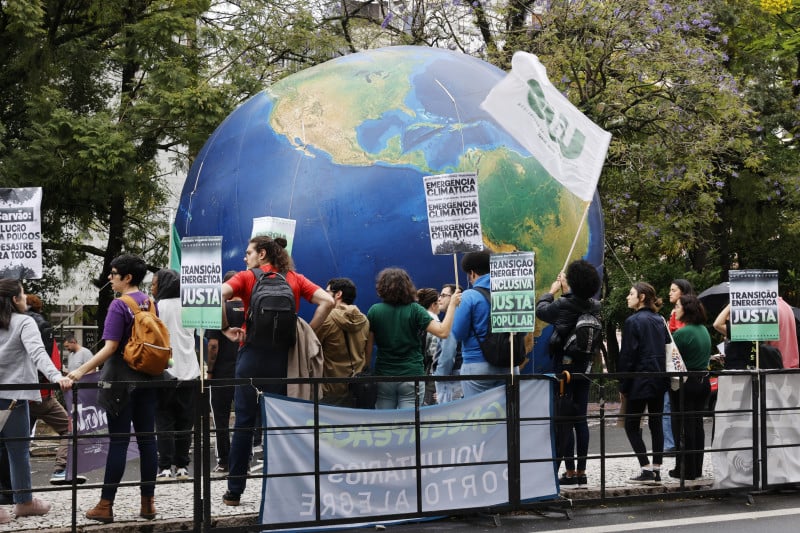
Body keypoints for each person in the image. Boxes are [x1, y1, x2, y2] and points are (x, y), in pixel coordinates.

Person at [220, 235, 335, 506]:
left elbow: (216, 294)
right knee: (279, 423)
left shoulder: (248, 278)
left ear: (262, 254)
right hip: (283, 359)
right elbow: (327, 301)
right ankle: (278, 490)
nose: (245, 258)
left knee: (244, 424)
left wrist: (226, 329)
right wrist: (306, 332)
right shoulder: (294, 278)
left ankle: (234, 491)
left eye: (248, 253)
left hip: (250, 355)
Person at [67, 254, 164, 523]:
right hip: (147, 378)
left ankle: (106, 505)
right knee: (148, 441)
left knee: (119, 441)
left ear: (127, 277)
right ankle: (148, 505)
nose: (110, 278)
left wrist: (79, 371)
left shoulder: (119, 305)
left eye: (113, 273)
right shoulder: (150, 302)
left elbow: (110, 348)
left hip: (121, 382)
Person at [0, 279, 73, 523]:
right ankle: (24, 502)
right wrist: (56, 377)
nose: (25, 298)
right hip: (15, 397)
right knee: (18, 450)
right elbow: (38, 353)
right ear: (14, 300)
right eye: (22, 294)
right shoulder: (24, 322)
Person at [535, 259, 602, 488]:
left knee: (564, 418)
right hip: (585, 368)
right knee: (579, 419)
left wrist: (551, 292)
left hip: (564, 369)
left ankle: (568, 470)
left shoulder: (563, 304)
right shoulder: (595, 306)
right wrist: (568, 291)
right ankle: (581, 473)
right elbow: (575, 305)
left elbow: (542, 311)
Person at [366, 268, 460, 409]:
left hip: (384, 376)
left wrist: (366, 368)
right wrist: (452, 305)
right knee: (410, 423)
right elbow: (443, 332)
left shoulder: (374, 310)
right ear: (407, 287)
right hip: (412, 376)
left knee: (385, 422)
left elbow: (368, 348)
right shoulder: (415, 310)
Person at [619, 282, 670, 484]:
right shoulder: (659, 319)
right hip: (659, 378)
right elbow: (667, 347)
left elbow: (627, 355)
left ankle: (646, 468)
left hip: (639, 380)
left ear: (641, 297)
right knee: (656, 424)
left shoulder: (633, 322)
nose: (627, 297)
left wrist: (623, 384)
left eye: (631, 294)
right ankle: (656, 468)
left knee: (631, 425)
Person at [152, 268, 200, 481]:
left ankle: (164, 467)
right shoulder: (190, 306)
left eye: (154, 283)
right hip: (190, 371)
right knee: (185, 423)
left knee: (164, 422)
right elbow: (198, 334)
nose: (153, 288)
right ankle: (182, 466)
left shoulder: (155, 308)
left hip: (164, 373)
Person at [452, 251, 518, 397]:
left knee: (479, 415)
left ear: (472, 273)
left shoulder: (469, 296)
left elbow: (458, 333)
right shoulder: (512, 293)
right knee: (507, 415)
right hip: (509, 364)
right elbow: (522, 328)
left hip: (476, 366)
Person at [668, 294, 711, 481]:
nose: (675, 309)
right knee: (697, 424)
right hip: (703, 380)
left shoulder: (682, 333)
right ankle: (696, 468)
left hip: (686, 383)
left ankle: (684, 469)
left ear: (686, 309)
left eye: (677, 306)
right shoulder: (703, 330)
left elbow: (671, 359)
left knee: (683, 426)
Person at [206, 271, 243, 475]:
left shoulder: (218, 309)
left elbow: (213, 345)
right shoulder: (249, 309)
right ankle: (243, 461)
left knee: (220, 418)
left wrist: (210, 371)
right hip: (244, 370)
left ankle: (224, 462)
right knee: (243, 417)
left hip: (221, 373)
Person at [316, 278, 370, 407]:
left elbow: (313, 346)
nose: (324, 295)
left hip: (331, 386)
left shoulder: (326, 318)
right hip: (356, 386)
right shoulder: (364, 320)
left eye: (327, 292)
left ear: (338, 294)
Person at [664, 279, 695, 453]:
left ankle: (671, 444)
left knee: (669, 407)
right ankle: (676, 442)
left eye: (673, 290)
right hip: (687, 367)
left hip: (677, 366)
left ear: (682, 294)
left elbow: (674, 340)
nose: (670, 293)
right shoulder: (690, 315)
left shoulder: (677, 315)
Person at [434, 284, 463, 404]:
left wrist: (439, 377)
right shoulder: (461, 317)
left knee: (448, 417)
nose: (439, 299)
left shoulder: (452, 319)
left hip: (450, 378)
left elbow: (448, 353)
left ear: (454, 298)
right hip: (458, 375)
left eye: (443, 295)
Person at [417, 288, 441, 406]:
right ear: (433, 305)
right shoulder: (435, 323)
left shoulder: (416, 319)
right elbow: (434, 353)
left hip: (416, 371)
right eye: (439, 302)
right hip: (429, 375)